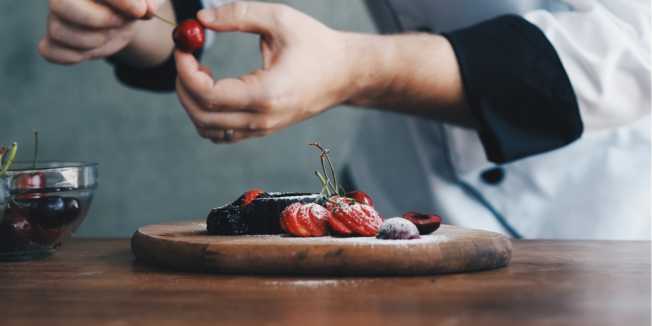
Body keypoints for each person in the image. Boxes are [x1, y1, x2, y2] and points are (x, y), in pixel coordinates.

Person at [39, 0, 650, 239]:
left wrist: (360, 69)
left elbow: (632, 48)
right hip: (391, 214)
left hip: (595, 232)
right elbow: (183, 16)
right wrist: (130, 23)